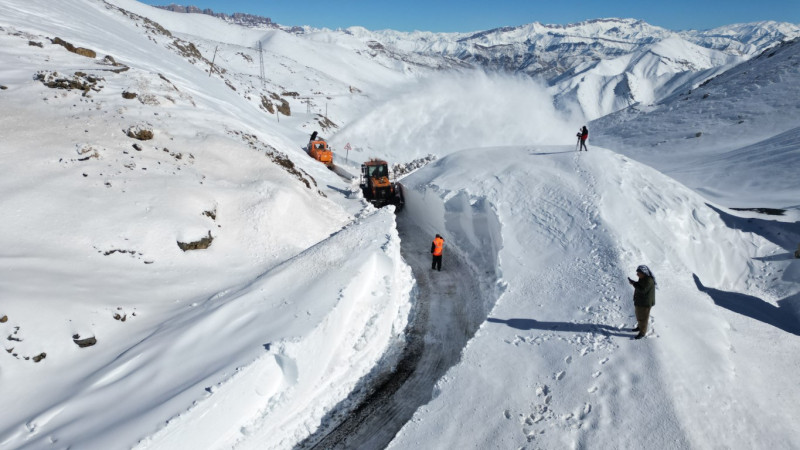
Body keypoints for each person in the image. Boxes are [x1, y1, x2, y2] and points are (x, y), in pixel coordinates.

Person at [628, 265, 656, 339]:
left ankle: (642, 332)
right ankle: (639, 327)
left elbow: (643, 290)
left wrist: (634, 284)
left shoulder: (649, 280)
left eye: (638, 272)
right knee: (638, 316)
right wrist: (634, 282)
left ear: (644, 273)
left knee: (643, 318)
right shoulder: (643, 278)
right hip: (640, 301)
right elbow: (640, 286)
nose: (637, 274)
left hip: (645, 303)